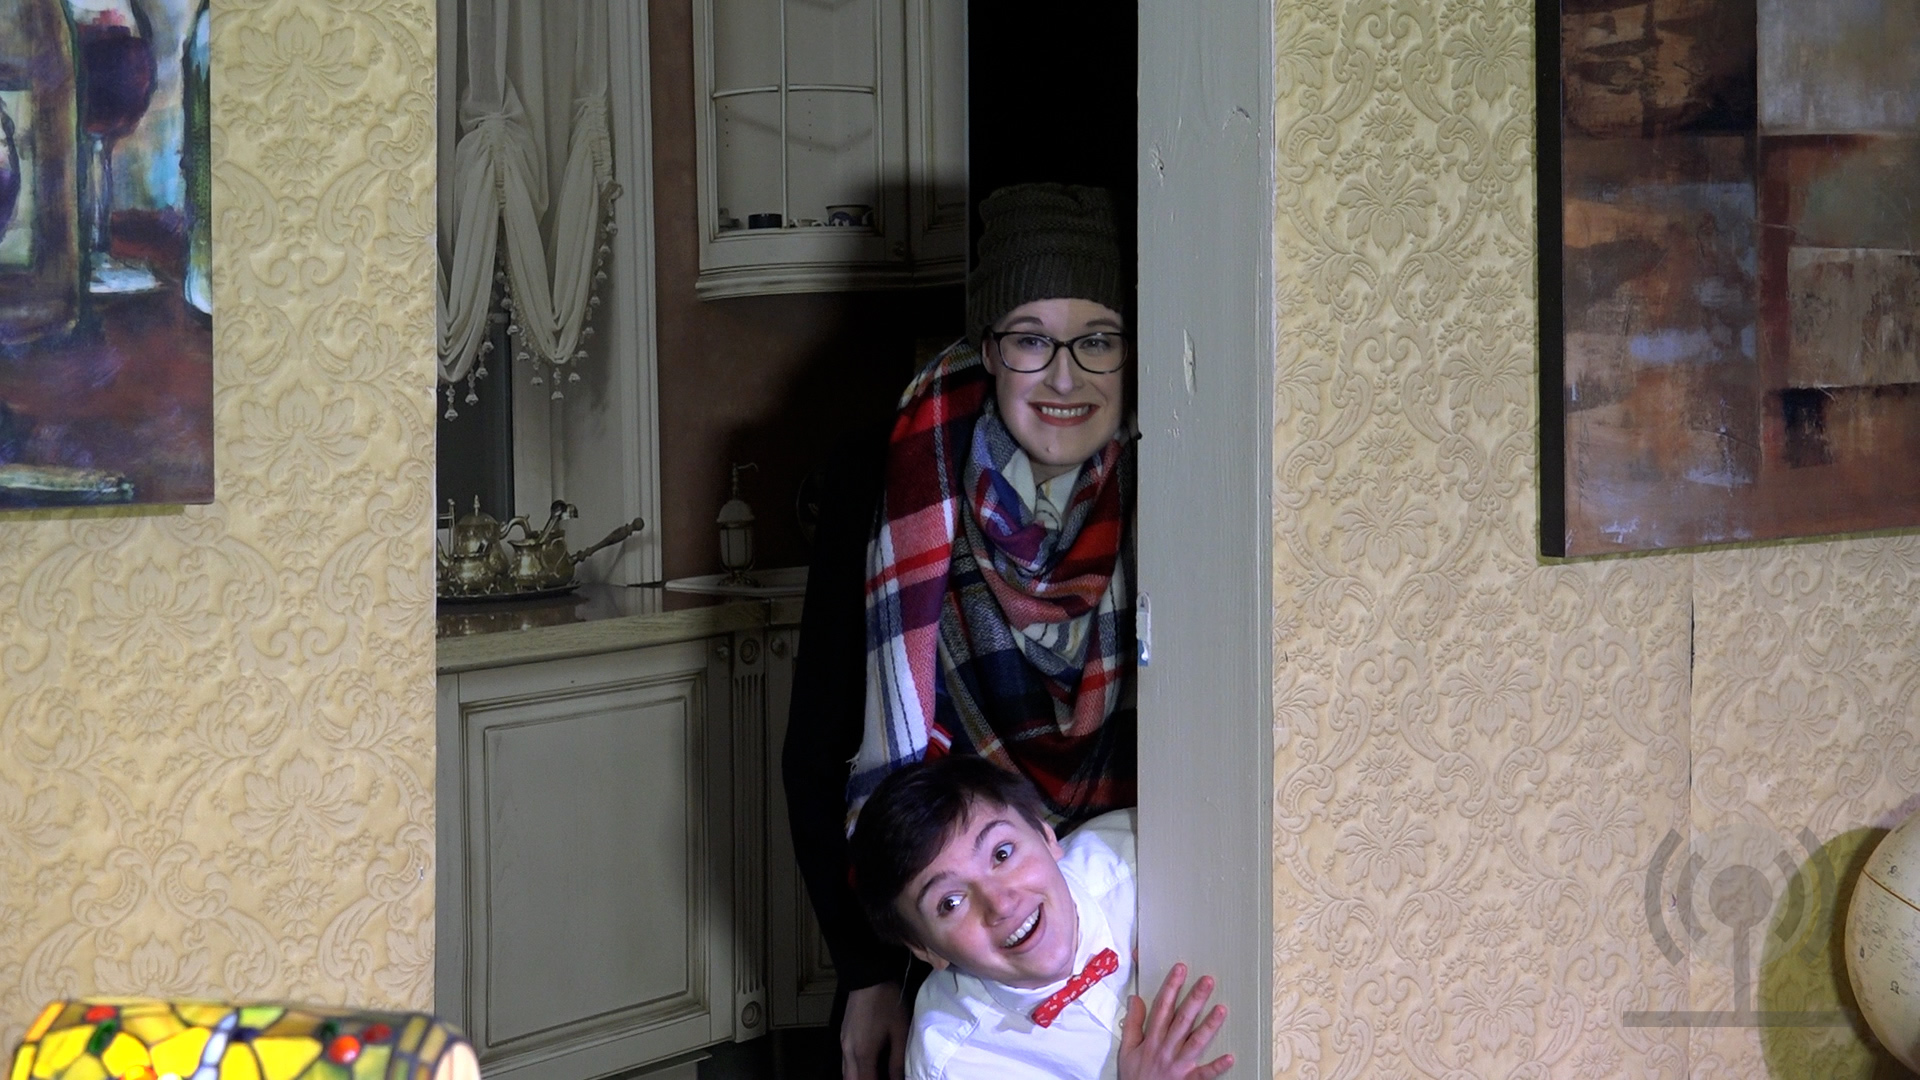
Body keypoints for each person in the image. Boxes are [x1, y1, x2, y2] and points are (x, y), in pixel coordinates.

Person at [784, 183, 1139, 1080]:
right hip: (946, 918)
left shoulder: (1173, 469)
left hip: (1124, 906)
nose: (1066, 378)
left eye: (1097, 339)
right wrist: (868, 974)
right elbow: (818, 747)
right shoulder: (890, 475)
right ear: (989, 349)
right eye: (1031, 340)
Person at [847, 755, 1232, 1080]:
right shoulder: (952, 1062)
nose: (1000, 904)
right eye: (950, 902)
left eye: (1002, 854)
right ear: (925, 949)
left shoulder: (1146, 856)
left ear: (1046, 835)